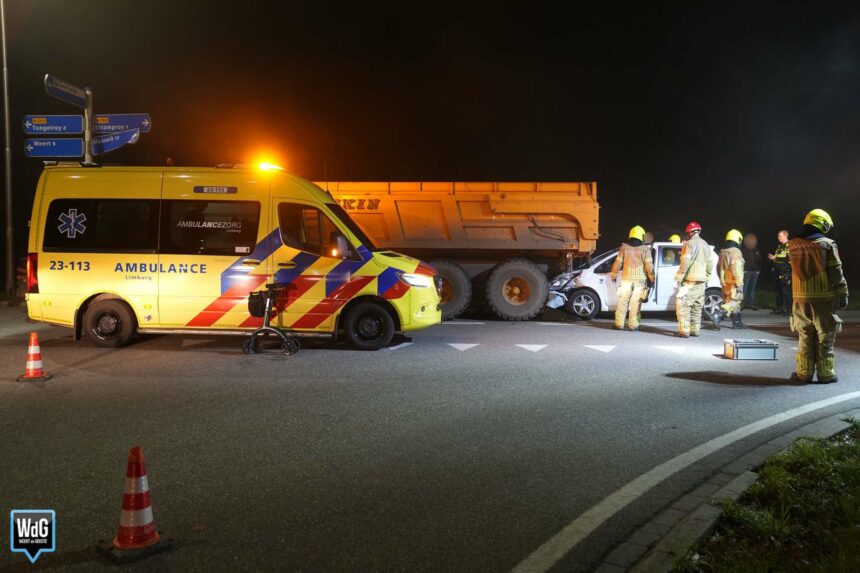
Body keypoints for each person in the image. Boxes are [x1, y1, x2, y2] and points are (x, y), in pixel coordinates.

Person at [787, 209, 848, 383]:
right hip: (822, 298)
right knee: (825, 336)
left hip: (799, 299)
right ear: (823, 224)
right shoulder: (827, 245)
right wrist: (842, 292)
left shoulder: (793, 245)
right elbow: (836, 271)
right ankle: (826, 373)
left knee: (805, 335)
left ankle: (804, 373)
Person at [610, 225, 655, 331]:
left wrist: (614, 274)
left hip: (626, 279)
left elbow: (617, 263)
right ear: (642, 236)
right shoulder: (645, 249)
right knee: (636, 303)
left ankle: (618, 324)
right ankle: (633, 325)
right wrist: (652, 279)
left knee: (622, 301)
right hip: (640, 281)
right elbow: (649, 267)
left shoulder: (624, 247)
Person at [674, 221, 713, 337]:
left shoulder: (689, 244)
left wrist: (679, 277)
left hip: (690, 281)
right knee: (697, 307)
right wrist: (706, 278)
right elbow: (710, 264)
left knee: (684, 306)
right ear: (698, 231)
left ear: (689, 233)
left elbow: (685, 262)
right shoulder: (706, 245)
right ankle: (695, 331)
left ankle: (684, 332)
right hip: (701, 282)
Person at [712, 229, 746, 329]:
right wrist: (739, 283)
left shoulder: (722, 251)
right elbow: (736, 269)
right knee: (736, 300)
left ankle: (737, 322)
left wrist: (721, 280)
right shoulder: (736, 252)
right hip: (734, 281)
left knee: (730, 301)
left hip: (725, 282)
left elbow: (718, 268)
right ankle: (719, 314)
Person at [768, 230, 791, 315]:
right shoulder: (779, 247)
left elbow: (789, 259)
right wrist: (773, 260)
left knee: (786, 291)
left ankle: (788, 310)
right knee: (778, 291)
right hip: (777, 272)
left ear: (785, 236)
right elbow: (777, 258)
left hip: (785, 272)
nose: (778, 238)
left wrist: (775, 258)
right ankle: (779, 308)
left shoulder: (790, 246)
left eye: (779, 236)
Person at [741, 232, 762, 310]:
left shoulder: (757, 251)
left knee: (752, 289)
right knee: (744, 288)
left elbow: (760, 262)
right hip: (746, 272)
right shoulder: (743, 251)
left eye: (753, 240)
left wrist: (758, 271)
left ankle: (751, 304)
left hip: (755, 272)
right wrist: (743, 270)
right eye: (749, 240)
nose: (751, 242)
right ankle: (742, 304)